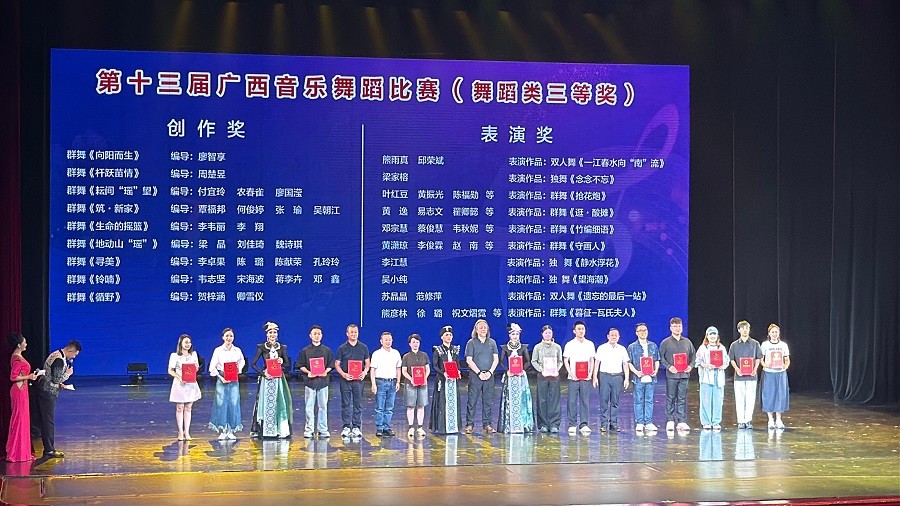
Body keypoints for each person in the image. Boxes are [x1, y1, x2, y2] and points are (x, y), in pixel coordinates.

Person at [34, 339, 81, 458]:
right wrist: (68, 374)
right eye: (75, 354)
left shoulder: (55, 354)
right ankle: (49, 450)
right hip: (47, 393)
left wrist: (60, 385)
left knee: (46, 420)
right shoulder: (59, 359)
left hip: (45, 390)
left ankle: (49, 448)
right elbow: (56, 379)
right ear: (70, 350)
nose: (74, 357)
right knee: (48, 421)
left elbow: (51, 376)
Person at [249, 322, 292, 438]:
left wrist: (282, 362)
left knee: (280, 402)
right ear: (267, 334)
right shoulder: (262, 348)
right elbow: (253, 364)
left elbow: (287, 365)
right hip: (267, 379)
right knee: (263, 403)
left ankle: (280, 429)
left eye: (274, 332)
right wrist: (263, 374)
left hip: (278, 379)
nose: (273, 334)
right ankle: (263, 429)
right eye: (270, 332)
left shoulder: (282, 348)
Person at [297, 325, 334, 438]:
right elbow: (300, 365)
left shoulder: (327, 350)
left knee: (323, 407)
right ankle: (309, 429)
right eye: (315, 334)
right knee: (309, 407)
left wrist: (326, 372)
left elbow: (331, 364)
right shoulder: (305, 351)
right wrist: (308, 372)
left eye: (319, 334)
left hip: (323, 382)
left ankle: (323, 429)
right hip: (310, 383)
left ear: (321, 335)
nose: (317, 336)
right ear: (310, 335)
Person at [659, 317, 695, 432]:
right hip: (672, 375)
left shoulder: (687, 342)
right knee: (670, 397)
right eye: (675, 326)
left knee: (682, 398)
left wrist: (690, 366)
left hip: (684, 375)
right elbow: (661, 358)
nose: (677, 328)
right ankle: (670, 420)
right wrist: (669, 366)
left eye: (679, 326)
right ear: (670, 328)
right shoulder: (665, 343)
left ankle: (681, 421)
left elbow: (693, 356)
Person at [334, 323, 370, 438]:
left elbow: (367, 363)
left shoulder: (363, 347)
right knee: (345, 404)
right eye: (351, 332)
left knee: (358, 404)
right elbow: (337, 364)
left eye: (355, 332)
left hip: (358, 381)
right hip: (345, 381)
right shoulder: (342, 348)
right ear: (347, 334)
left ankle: (356, 427)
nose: (354, 334)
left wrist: (364, 372)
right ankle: (346, 426)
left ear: (358, 333)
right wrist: (343, 374)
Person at [208, 327, 245, 440]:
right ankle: (223, 429)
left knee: (233, 403)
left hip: (233, 379)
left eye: (231, 336)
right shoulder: (218, 350)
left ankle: (231, 430)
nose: (229, 338)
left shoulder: (237, 350)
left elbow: (242, 361)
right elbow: (212, 367)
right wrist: (221, 378)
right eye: (227, 336)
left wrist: (238, 369)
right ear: (223, 337)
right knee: (221, 403)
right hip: (222, 378)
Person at [6, 333, 38, 462]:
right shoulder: (17, 359)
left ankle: (22, 453)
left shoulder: (17, 356)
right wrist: (29, 377)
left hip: (22, 390)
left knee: (23, 421)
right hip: (19, 391)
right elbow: (13, 377)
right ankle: (15, 454)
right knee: (19, 420)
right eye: (24, 342)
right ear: (19, 344)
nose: (26, 344)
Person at [498, 323, 534, 434]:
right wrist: (507, 371)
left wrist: (522, 370)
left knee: (522, 399)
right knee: (509, 399)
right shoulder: (505, 348)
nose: (515, 336)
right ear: (509, 335)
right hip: (510, 376)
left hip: (520, 377)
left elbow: (528, 361)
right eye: (513, 334)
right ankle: (509, 425)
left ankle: (523, 424)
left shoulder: (523, 347)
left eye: (517, 334)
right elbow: (501, 361)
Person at [464, 319, 499, 434]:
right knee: (472, 400)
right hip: (475, 376)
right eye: (481, 327)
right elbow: (469, 360)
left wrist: (490, 372)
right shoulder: (471, 343)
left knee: (488, 400)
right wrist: (479, 373)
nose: (483, 329)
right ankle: (470, 424)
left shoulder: (492, 342)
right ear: (476, 330)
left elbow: (496, 359)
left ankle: (487, 424)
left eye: (485, 327)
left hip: (489, 376)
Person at [592, 327, 630, 432]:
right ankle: (603, 424)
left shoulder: (622, 349)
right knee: (604, 400)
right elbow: (597, 363)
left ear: (619, 337)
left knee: (615, 401)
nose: (614, 337)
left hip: (617, 377)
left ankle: (614, 424)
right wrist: (595, 377)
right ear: (608, 336)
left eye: (616, 335)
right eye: (612, 335)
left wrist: (626, 378)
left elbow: (625, 364)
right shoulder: (602, 348)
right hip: (604, 376)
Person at [626, 322, 660, 433]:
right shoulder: (632, 347)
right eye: (640, 331)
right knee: (638, 400)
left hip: (651, 378)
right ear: (636, 333)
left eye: (644, 330)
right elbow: (629, 362)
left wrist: (656, 370)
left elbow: (657, 360)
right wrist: (636, 372)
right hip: (638, 378)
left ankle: (648, 422)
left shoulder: (653, 346)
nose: (643, 332)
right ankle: (640, 422)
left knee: (649, 400)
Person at [563, 320, 595, 435]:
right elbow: (566, 360)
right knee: (572, 400)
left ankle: (584, 424)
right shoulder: (569, 344)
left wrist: (590, 373)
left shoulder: (590, 344)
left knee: (584, 400)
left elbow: (592, 359)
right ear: (574, 331)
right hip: (573, 378)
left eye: (582, 329)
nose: (581, 331)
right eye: (579, 329)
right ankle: (572, 424)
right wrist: (570, 373)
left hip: (585, 377)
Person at [729, 320, 762, 429]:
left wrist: (755, 368)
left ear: (749, 329)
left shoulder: (755, 344)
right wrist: (737, 369)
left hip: (752, 376)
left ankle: (747, 420)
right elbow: (731, 359)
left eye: (746, 328)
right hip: (739, 377)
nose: (745, 330)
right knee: (739, 399)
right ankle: (740, 421)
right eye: (742, 328)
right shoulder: (734, 345)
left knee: (750, 399)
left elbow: (758, 357)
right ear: (739, 330)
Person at [168, 334, 202, 441]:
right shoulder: (175, 356)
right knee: (180, 407)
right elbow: (170, 370)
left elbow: (195, 369)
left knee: (188, 407)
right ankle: (180, 431)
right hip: (180, 384)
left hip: (190, 384)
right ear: (181, 343)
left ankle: (186, 431)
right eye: (186, 342)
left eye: (190, 342)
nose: (188, 344)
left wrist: (195, 368)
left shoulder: (193, 355)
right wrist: (179, 378)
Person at [695, 326, 729, 430]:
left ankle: (716, 421)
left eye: (714, 334)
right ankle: (706, 422)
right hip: (706, 377)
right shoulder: (703, 348)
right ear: (707, 336)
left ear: (717, 336)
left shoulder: (721, 348)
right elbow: (697, 361)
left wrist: (724, 365)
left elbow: (726, 361)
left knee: (718, 400)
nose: (712, 336)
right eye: (710, 334)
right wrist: (705, 365)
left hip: (718, 377)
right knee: (706, 400)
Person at [429, 325, 462, 434]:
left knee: (454, 401)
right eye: (446, 335)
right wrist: (443, 373)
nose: (449, 337)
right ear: (442, 337)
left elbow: (457, 364)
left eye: (450, 335)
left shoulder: (455, 349)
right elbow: (434, 365)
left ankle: (454, 426)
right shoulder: (438, 350)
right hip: (442, 379)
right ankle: (442, 427)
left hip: (453, 380)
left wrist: (458, 371)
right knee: (442, 401)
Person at [531, 325, 563, 434]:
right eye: (546, 333)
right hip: (542, 376)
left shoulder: (557, 347)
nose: (548, 335)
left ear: (552, 334)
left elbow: (560, 361)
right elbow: (533, 361)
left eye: (549, 332)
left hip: (554, 376)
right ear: (542, 334)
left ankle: (554, 424)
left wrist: (556, 369)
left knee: (554, 400)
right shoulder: (538, 347)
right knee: (542, 399)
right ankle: (543, 424)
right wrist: (541, 370)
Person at [370, 331, 401, 437]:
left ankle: (387, 427)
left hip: (392, 382)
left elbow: (398, 368)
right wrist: (373, 384)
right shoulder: (376, 354)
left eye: (389, 340)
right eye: (386, 340)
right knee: (380, 407)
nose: (388, 342)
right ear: (381, 341)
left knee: (390, 407)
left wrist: (398, 381)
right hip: (380, 382)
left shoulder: (396, 353)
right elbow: (373, 370)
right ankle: (379, 427)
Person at [760, 323, 790, 430]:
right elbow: (761, 359)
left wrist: (786, 365)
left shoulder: (783, 345)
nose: (774, 334)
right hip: (769, 373)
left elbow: (787, 359)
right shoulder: (764, 345)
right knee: (769, 395)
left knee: (780, 395)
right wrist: (765, 365)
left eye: (776, 332)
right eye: (772, 332)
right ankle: (770, 419)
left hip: (780, 373)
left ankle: (778, 419)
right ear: (769, 333)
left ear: (779, 333)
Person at [401, 333, 430, 438]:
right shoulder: (406, 356)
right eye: (413, 342)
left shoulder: (424, 355)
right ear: (409, 344)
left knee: (421, 405)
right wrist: (411, 379)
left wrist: (424, 378)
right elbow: (404, 371)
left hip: (422, 384)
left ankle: (420, 427)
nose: (415, 344)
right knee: (411, 406)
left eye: (417, 342)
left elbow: (427, 369)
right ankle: (411, 427)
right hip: (410, 384)